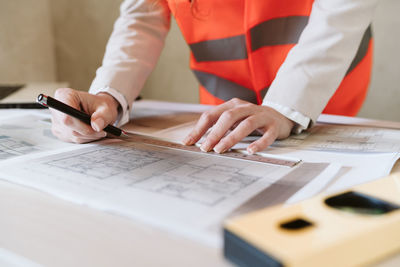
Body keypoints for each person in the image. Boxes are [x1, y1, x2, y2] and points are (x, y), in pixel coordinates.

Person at [51, 0, 377, 154]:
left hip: (317, 103)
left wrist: (287, 106)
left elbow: (344, 8)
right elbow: (142, 18)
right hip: (224, 113)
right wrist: (108, 96)